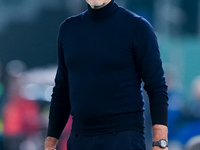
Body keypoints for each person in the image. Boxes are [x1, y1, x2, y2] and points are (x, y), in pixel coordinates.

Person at [44, 0, 169, 150]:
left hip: (123, 139)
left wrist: (160, 142)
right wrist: (50, 143)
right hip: (80, 138)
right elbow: (61, 91)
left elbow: (156, 86)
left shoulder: (137, 27)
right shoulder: (68, 29)